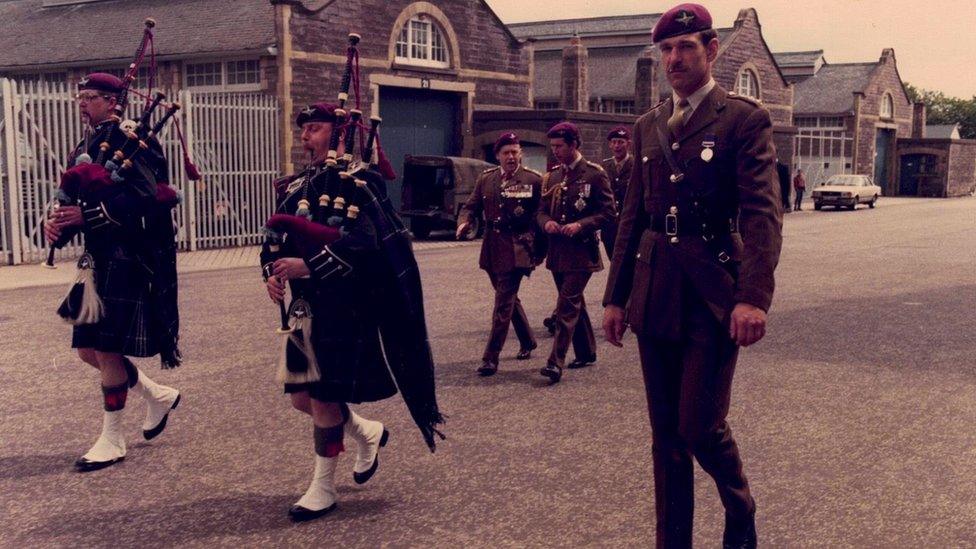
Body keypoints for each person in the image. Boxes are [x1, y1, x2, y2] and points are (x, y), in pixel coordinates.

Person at [601, 5, 782, 547]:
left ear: (711, 50)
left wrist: (753, 298)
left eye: (685, 48)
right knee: (665, 438)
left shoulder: (743, 119)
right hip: (655, 292)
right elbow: (633, 216)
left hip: (713, 291)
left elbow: (761, 214)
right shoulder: (647, 125)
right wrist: (615, 298)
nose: (674, 59)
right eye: (666, 51)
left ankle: (740, 504)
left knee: (699, 426)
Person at [263, 103, 397, 521]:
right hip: (304, 307)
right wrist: (272, 272)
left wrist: (311, 265)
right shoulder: (297, 184)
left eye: (315, 129)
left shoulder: (361, 181)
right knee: (302, 398)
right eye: (303, 130)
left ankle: (323, 487)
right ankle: (365, 431)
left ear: (339, 134)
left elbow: (366, 243)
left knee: (322, 399)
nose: (305, 137)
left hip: (343, 304)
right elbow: (276, 239)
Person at [44, 72, 182, 472]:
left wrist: (86, 215)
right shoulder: (83, 146)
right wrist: (60, 224)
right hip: (98, 258)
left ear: (113, 101)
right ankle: (156, 394)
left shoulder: (133, 138)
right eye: (80, 97)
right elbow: (74, 201)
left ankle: (112, 438)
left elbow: (148, 195)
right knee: (89, 349)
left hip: (129, 255)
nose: (83, 103)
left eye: (91, 96)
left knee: (105, 348)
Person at [457, 132, 543, 376]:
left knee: (502, 304)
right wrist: (464, 222)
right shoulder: (487, 179)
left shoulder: (534, 180)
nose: (511, 156)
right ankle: (528, 340)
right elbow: (470, 206)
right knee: (508, 298)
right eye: (506, 152)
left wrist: (539, 250)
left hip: (517, 248)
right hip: (492, 247)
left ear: (521, 154)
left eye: (515, 151)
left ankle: (490, 358)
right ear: (498, 156)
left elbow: (540, 216)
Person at [537, 122, 615, 383]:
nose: (555, 151)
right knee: (573, 301)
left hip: (582, 253)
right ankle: (587, 351)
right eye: (552, 147)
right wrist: (545, 222)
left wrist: (580, 225)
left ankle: (554, 362)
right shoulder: (553, 177)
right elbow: (541, 211)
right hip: (558, 252)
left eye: (560, 146)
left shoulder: (594, 174)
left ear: (574, 144)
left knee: (566, 305)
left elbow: (607, 213)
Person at [601, 125, 635, 259]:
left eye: (621, 142)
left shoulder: (636, 165)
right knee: (613, 261)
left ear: (629, 144)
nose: (617, 146)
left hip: (630, 224)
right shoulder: (604, 167)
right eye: (614, 142)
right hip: (610, 226)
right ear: (609, 144)